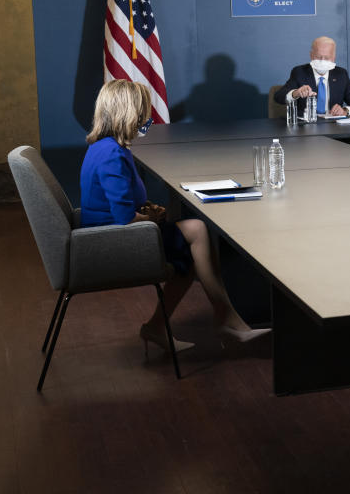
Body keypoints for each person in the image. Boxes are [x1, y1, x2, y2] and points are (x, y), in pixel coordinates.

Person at [80, 79, 266, 353]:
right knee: (196, 233)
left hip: (106, 231)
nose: (147, 118)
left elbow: (120, 204)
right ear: (129, 112)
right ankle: (226, 319)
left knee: (189, 252)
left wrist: (150, 210)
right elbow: (123, 219)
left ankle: (167, 326)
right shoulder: (112, 155)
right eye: (144, 111)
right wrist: (154, 219)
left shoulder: (103, 147)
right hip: (112, 241)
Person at [274, 36, 350, 117]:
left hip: (334, 127)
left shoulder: (340, 74)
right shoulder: (300, 72)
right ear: (311, 55)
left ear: (333, 58)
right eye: (318, 57)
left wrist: (345, 110)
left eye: (327, 58)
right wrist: (296, 93)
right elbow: (279, 96)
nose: (322, 61)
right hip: (305, 127)